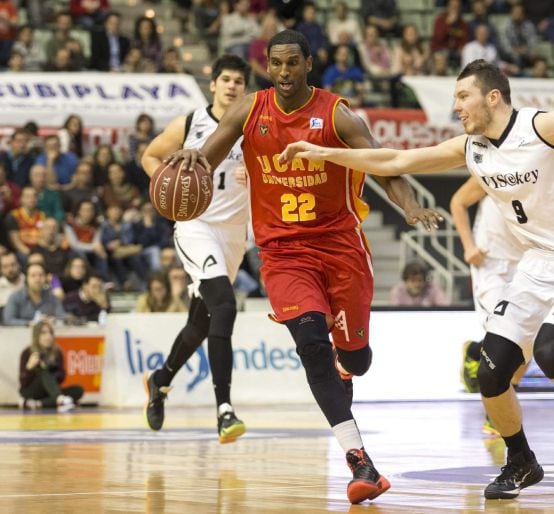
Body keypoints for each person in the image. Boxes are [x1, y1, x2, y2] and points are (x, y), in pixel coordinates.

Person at [279, 58, 554, 499]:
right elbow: (395, 158)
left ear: (493, 97)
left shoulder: (544, 126)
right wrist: (326, 154)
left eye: (463, 97)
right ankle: (520, 460)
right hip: (536, 264)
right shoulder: (472, 148)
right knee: (490, 373)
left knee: (551, 351)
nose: (457, 108)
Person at [164, 30, 442, 504]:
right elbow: (207, 160)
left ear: (309, 64)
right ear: (267, 67)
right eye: (277, 64)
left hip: (341, 249)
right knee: (312, 346)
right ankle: (361, 463)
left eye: (293, 63)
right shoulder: (251, 109)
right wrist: (192, 163)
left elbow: (383, 164)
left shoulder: (336, 113)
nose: (285, 72)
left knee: (356, 358)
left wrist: (409, 206)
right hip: (283, 253)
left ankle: (348, 362)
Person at [140, 54, 252, 444]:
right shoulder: (190, 123)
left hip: (235, 234)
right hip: (196, 226)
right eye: (226, 79)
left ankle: (160, 380)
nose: (232, 86)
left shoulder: (253, 126)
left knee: (199, 325)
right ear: (214, 84)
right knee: (225, 306)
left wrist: (255, 173)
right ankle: (224, 409)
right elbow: (149, 155)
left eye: (239, 81)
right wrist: (168, 181)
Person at [451, 177, 526, 436]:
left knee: (528, 340)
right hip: (491, 264)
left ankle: (475, 351)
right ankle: (495, 414)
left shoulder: (545, 171)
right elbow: (458, 202)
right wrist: (468, 246)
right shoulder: (494, 167)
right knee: (505, 334)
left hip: (528, 263)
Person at [19, 321, 84, 411]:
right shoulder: (27, 352)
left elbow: (62, 377)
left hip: (51, 391)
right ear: (36, 336)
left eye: (50, 333)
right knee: (43, 372)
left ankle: (37, 403)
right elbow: (23, 382)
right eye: (44, 333)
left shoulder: (57, 352)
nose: (48, 336)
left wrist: (52, 369)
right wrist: (29, 367)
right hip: (32, 391)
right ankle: (60, 400)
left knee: (78, 390)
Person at [3, 262, 66, 326]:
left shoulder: (52, 297)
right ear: (26, 278)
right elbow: (8, 320)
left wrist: (54, 320)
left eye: (41, 275)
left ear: (45, 278)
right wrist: (29, 323)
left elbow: (62, 318)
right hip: (20, 334)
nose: (37, 279)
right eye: (33, 275)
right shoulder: (15, 297)